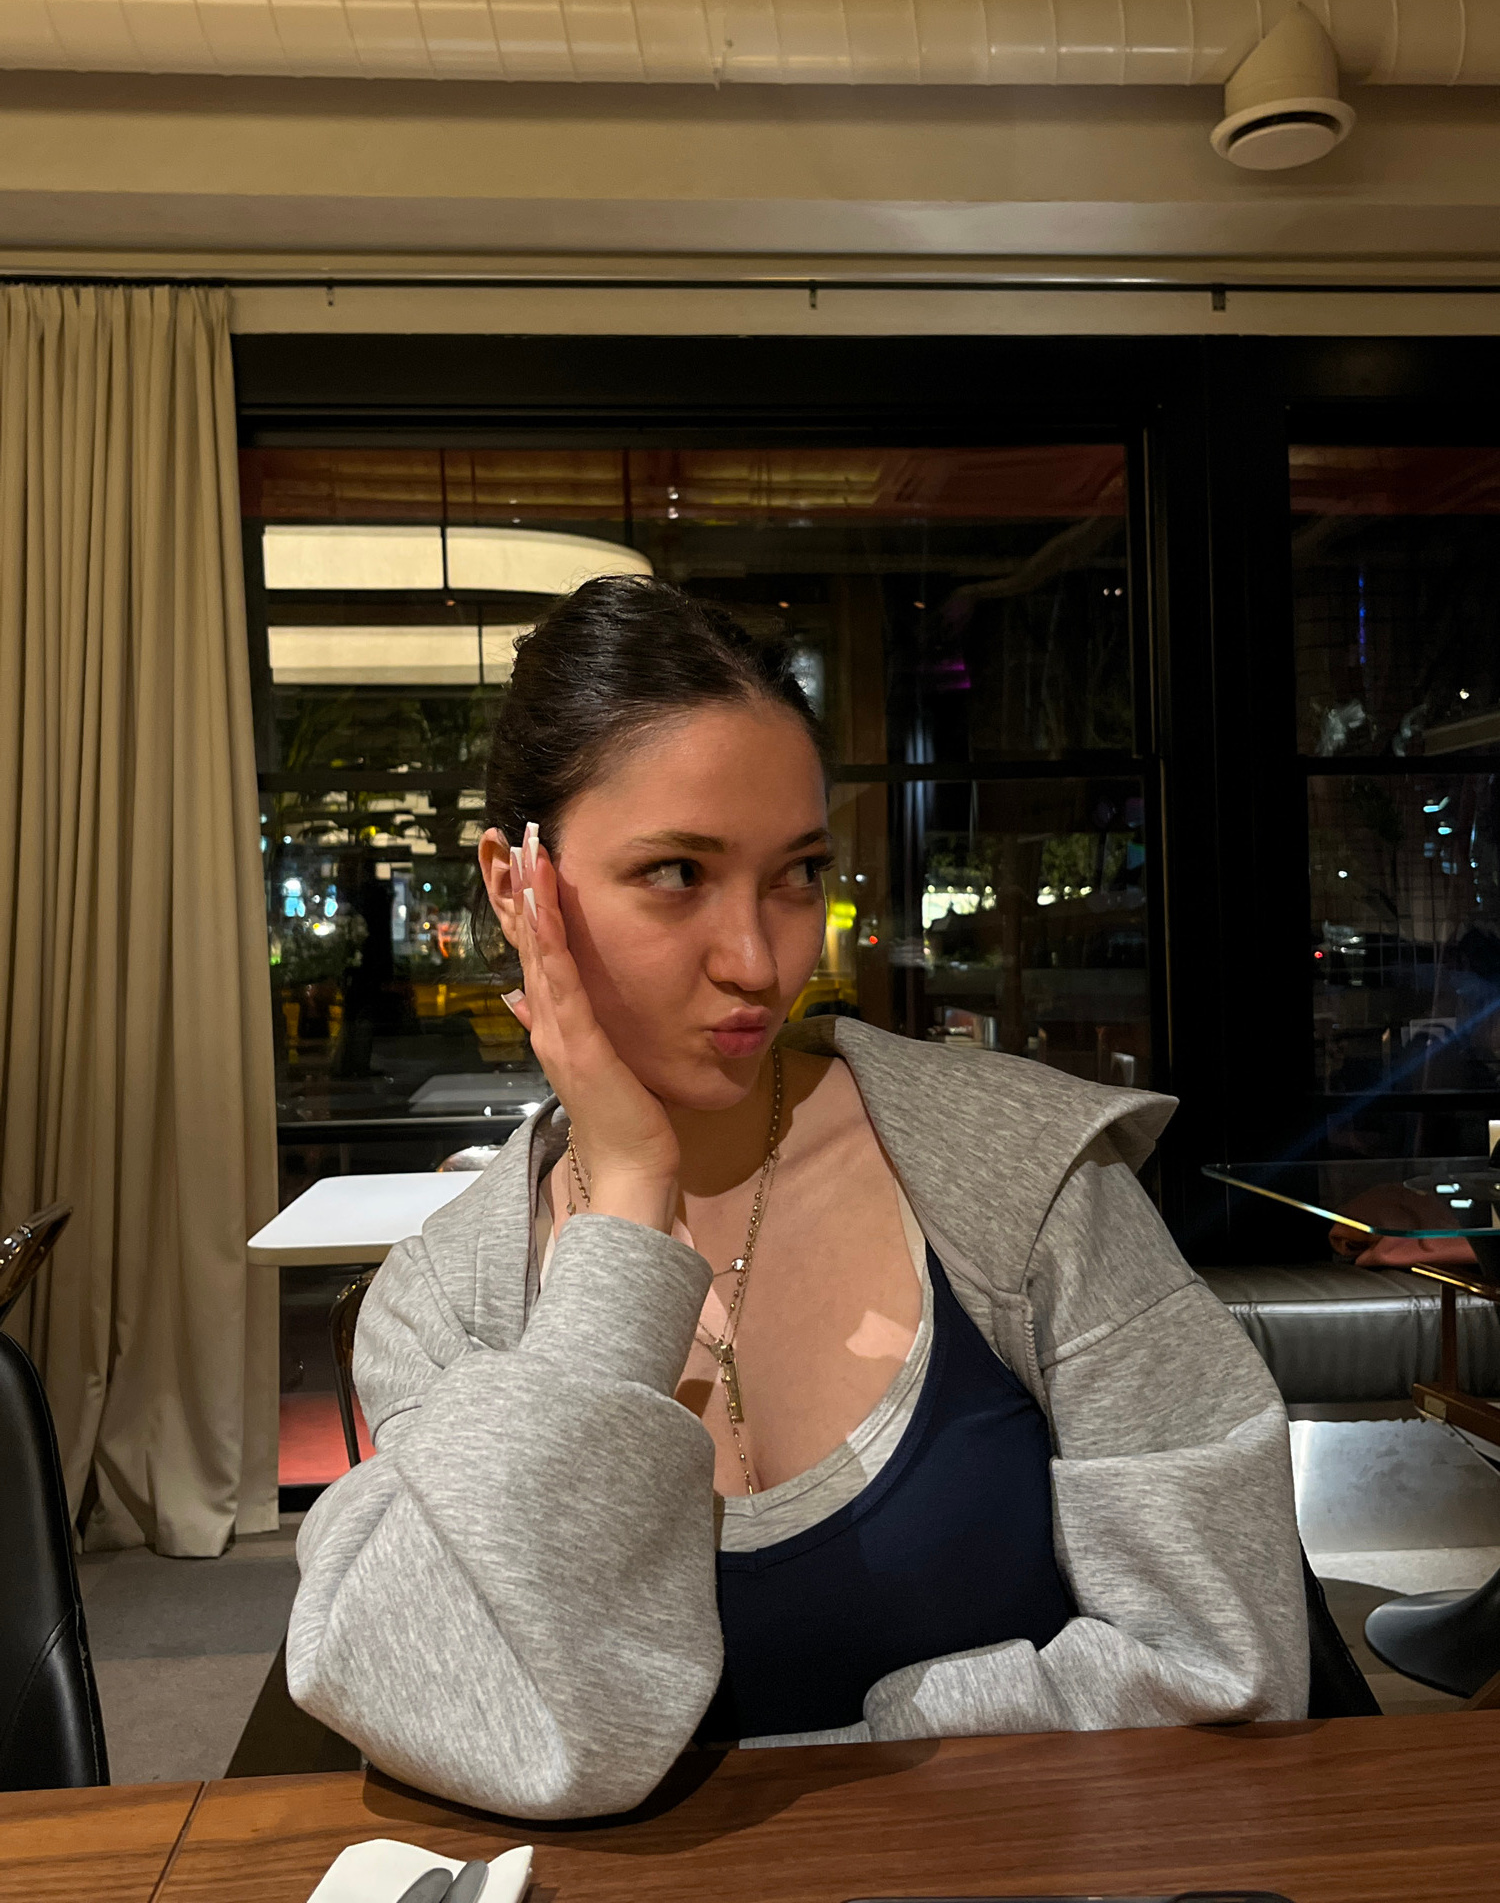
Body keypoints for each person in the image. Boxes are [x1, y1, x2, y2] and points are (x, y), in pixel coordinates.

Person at [287, 577, 1308, 1820]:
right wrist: (627, 1206)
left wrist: (891, 1749)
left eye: (797, 873)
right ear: (517, 884)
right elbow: (458, 1709)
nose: (763, 960)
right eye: (676, 871)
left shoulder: (1020, 1176)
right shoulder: (449, 1298)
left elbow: (1229, 1655)